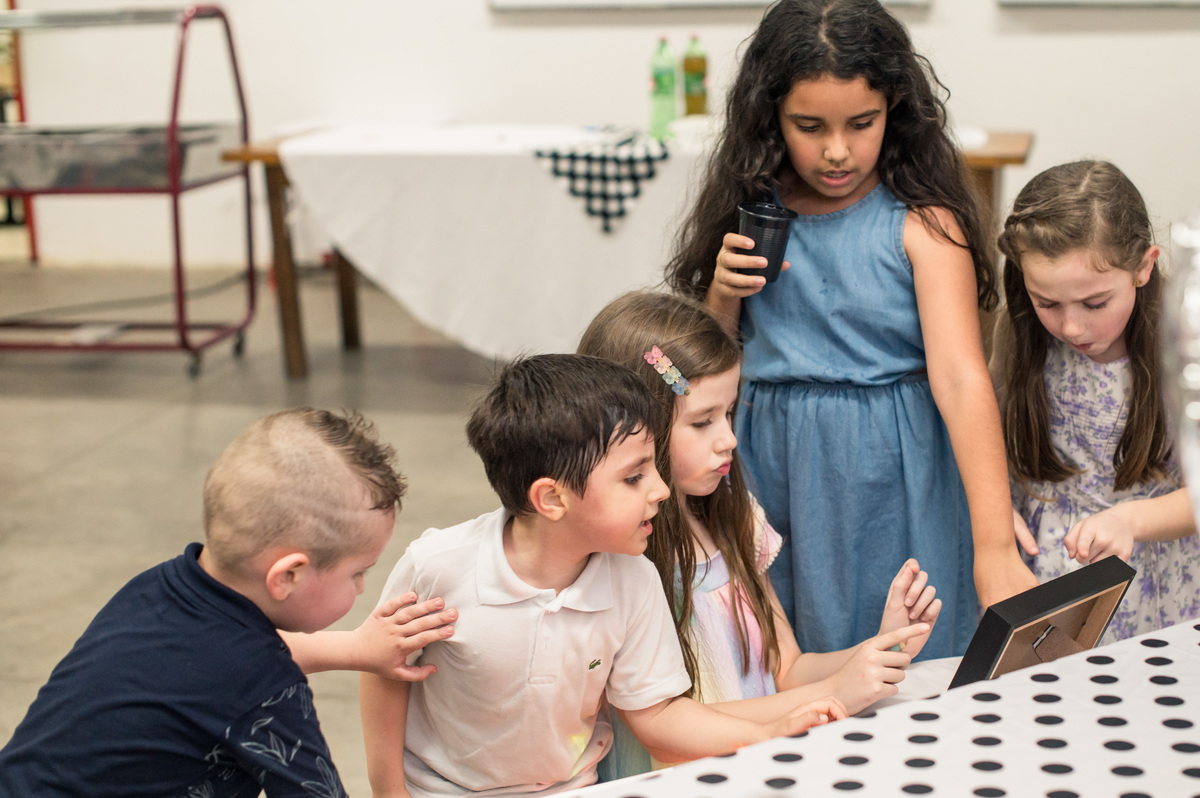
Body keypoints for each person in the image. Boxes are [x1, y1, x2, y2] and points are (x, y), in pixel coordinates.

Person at [667, 0, 1035, 659]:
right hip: (769, 467)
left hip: (891, 476)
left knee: (901, 653)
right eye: (809, 126)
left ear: (894, 108)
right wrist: (721, 296)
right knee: (784, 654)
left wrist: (995, 548)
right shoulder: (756, 212)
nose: (836, 151)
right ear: (770, 115)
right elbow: (706, 368)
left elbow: (959, 377)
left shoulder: (923, 224)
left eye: (861, 124)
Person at [360, 354, 846, 798]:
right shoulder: (437, 568)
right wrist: (389, 792)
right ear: (551, 499)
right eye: (634, 477)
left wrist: (767, 733)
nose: (660, 489)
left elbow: (657, 716)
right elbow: (384, 671)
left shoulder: (633, 579)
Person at [0, 408, 453, 797]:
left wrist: (356, 649)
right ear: (288, 576)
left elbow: (222, 663)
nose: (360, 589)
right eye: (358, 573)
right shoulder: (265, 689)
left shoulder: (157, 589)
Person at [578, 290, 937, 779]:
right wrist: (836, 694)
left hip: (760, 767)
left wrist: (883, 648)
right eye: (702, 421)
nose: (728, 438)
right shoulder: (618, 557)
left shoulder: (736, 519)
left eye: (728, 414)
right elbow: (671, 723)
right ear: (635, 429)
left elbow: (786, 668)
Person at [991, 160, 1200, 639]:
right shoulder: (1021, 336)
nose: (1071, 328)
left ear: (1144, 267)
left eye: (1095, 303)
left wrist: (1133, 520)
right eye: (1047, 303)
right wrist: (995, 505)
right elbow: (991, 440)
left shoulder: (1183, 345)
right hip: (1048, 568)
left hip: (1158, 576)